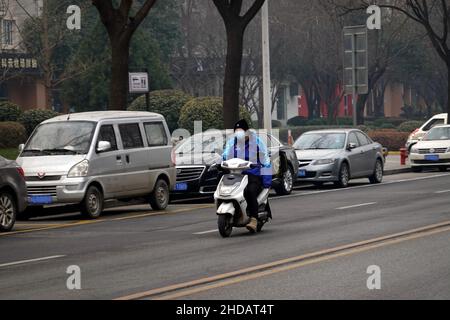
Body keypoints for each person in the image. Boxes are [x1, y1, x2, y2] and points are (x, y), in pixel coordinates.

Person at [222, 119, 272, 233]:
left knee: (250, 191)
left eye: (241, 130)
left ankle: (254, 219)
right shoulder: (232, 143)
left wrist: (267, 182)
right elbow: (225, 156)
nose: (238, 133)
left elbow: (266, 162)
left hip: (253, 175)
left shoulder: (257, 142)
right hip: (236, 175)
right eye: (236, 131)